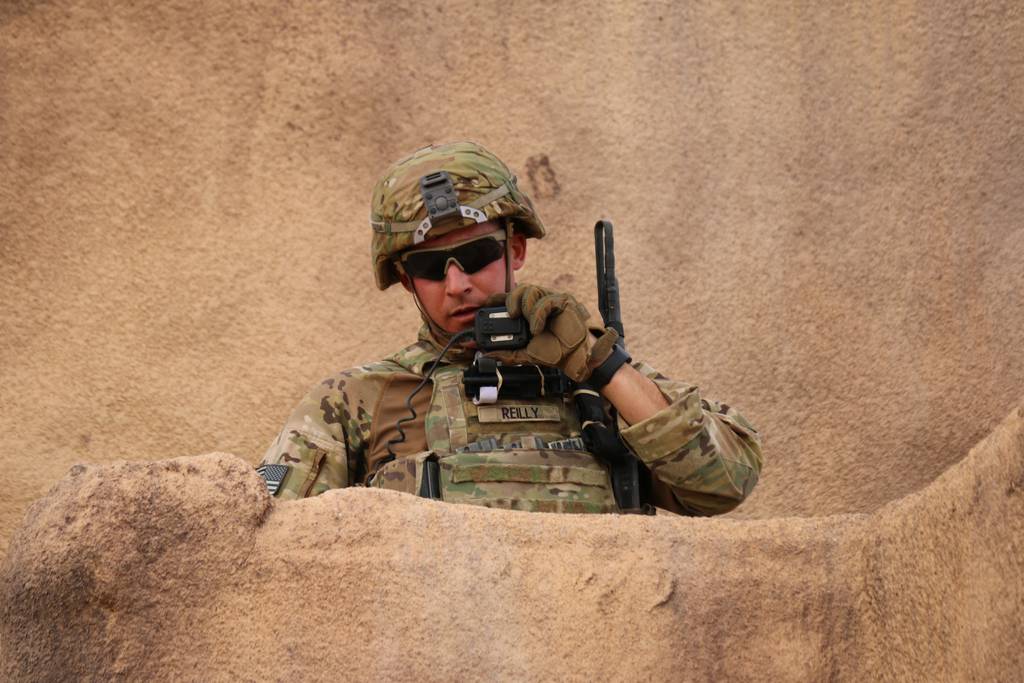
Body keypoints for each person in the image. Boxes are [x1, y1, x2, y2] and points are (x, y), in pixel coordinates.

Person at [257, 141, 762, 515]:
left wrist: (598, 362)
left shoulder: (601, 381)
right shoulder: (355, 401)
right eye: (433, 268)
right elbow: (273, 535)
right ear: (407, 280)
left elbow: (722, 483)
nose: (457, 285)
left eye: (476, 255)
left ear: (514, 248)